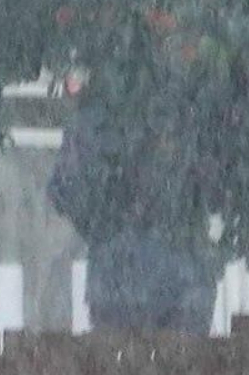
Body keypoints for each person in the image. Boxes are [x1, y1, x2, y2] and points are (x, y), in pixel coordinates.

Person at [46, 91, 219, 334]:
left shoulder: (99, 116)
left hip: (128, 280)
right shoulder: (193, 104)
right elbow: (65, 190)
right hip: (159, 280)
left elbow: (65, 191)